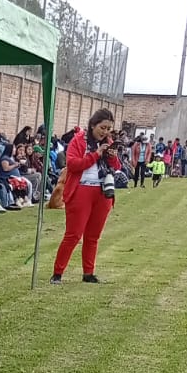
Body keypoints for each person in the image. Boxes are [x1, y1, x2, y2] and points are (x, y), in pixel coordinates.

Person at [50, 107, 120, 285]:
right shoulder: (79, 140)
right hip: (81, 190)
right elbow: (73, 164)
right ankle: (57, 273)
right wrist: (95, 155)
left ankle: (88, 272)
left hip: (102, 192)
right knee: (73, 235)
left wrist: (112, 157)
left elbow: (117, 167)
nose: (105, 132)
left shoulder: (109, 142)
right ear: (93, 125)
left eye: (108, 129)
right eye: (102, 128)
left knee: (93, 236)